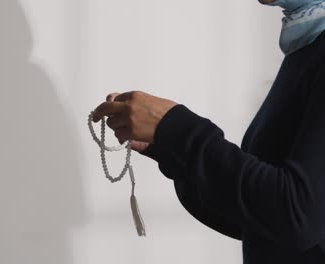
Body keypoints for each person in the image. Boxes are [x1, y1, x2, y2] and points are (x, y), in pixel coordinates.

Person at [92, 0, 325, 263]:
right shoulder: (308, 48)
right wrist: (172, 147)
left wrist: (178, 130)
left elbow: (298, 217)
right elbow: (262, 222)